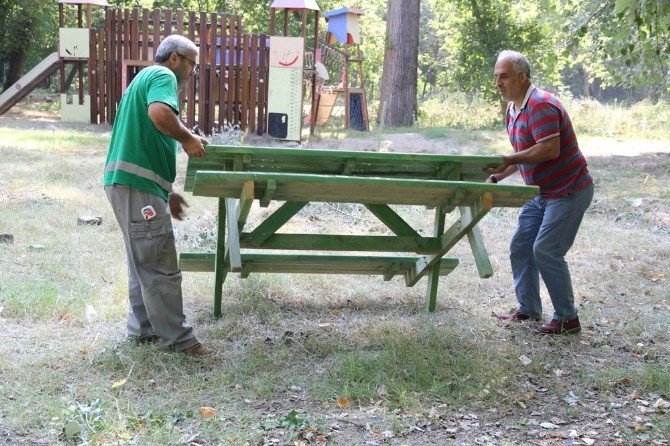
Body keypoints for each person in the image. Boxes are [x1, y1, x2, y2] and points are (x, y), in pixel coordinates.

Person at [103, 35, 212, 354]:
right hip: (135, 186)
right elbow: (160, 115)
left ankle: (143, 331)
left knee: (143, 260)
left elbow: (146, 140)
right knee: (159, 261)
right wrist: (188, 138)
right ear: (176, 59)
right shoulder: (162, 75)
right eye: (193, 65)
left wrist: (166, 191)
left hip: (129, 183)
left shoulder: (142, 79)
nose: (193, 73)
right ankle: (180, 341)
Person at [487, 50, 594, 335]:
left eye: (504, 76)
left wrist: (511, 160)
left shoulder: (541, 105)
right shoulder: (513, 108)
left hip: (569, 190)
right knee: (521, 247)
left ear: (522, 77)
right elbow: (523, 154)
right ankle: (529, 308)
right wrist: (497, 175)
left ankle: (568, 319)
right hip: (541, 192)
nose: (498, 82)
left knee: (546, 250)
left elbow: (549, 149)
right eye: (496, 76)